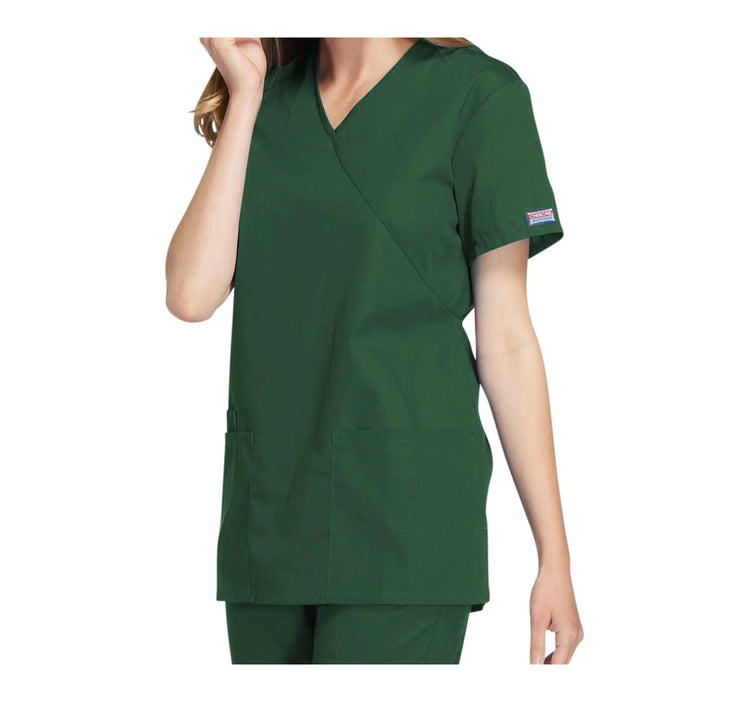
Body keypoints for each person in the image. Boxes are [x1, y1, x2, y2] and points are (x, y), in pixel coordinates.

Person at [165, 37, 583, 665]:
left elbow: (507, 340)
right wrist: (246, 93)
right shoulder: (267, 100)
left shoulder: (478, 95)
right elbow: (190, 295)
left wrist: (554, 554)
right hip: (270, 523)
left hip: (404, 526)